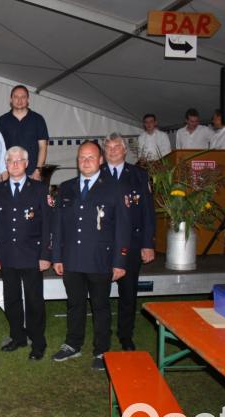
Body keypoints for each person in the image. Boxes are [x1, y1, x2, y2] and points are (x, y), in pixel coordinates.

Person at [50, 141, 130, 371]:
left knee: (100, 306)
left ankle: (102, 350)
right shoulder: (66, 188)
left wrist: (120, 261)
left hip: (100, 259)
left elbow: (122, 228)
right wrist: (57, 257)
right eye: (82, 158)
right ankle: (73, 344)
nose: (85, 162)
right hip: (72, 259)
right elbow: (58, 226)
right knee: (74, 304)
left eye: (91, 157)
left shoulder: (114, 188)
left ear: (100, 160)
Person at [0, 146, 52, 360]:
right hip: (7, 255)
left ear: (26, 164)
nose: (15, 164)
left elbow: (47, 225)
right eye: (11, 161)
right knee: (12, 299)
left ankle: (38, 341)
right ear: (6, 164)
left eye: (19, 161)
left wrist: (45, 255)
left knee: (34, 300)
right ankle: (17, 337)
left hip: (32, 255)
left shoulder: (40, 189)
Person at [101, 133, 156, 351]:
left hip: (131, 244)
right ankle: (102, 337)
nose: (113, 151)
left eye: (117, 147)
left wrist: (148, 244)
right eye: (108, 147)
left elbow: (148, 212)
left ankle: (126, 336)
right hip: (102, 246)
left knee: (128, 293)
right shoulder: (96, 173)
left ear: (125, 150)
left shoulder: (139, 175)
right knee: (100, 295)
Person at [0, 85, 49, 180]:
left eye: (23, 97)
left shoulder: (38, 119)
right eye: (16, 97)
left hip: (32, 174)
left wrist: (38, 170)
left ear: (28, 99)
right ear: (11, 99)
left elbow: (43, 147)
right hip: (9, 174)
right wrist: (1, 171)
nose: (19, 100)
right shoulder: (2, 120)